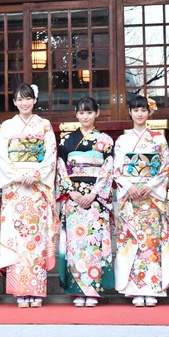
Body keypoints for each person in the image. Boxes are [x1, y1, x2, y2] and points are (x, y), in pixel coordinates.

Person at [0, 83, 57, 308]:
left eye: (28, 98)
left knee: (36, 239)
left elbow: (50, 154)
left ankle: (36, 290)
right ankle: (21, 291)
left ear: (34, 100)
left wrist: (36, 173)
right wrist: (18, 175)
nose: (24, 103)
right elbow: (1, 156)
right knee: (17, 238)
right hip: (16, 189)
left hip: (36, 190)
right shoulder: (7, 126)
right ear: (14, 102)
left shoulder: (45, 125)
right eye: (19, 99)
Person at [113, 94, 169, 307]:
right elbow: (117, 170)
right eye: (135, 110)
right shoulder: (122, 141)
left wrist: (149, 186)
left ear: (149, 112)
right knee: (132, 240)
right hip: (131, 198)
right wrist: (130, 187)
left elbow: (166, 167)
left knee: (151, 241)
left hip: (151, 197)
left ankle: (152, 287)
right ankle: (135, 289)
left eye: (143, 110)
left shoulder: (158, 139)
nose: (139, 114)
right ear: (130, 112)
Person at [56, 96, 115, 307]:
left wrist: (95, 193)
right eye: (81, 112)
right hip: (74, 198)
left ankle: (93, 290)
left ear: (97, 113)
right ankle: (76, 290)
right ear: (76, 114)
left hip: (95, 200)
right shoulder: (66, 141)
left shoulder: (106, 141)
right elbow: (61, 167)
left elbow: (108, 168)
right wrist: (71, 191)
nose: (85, 116)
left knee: (93, 244)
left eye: (89, 112)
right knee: (76, 245)